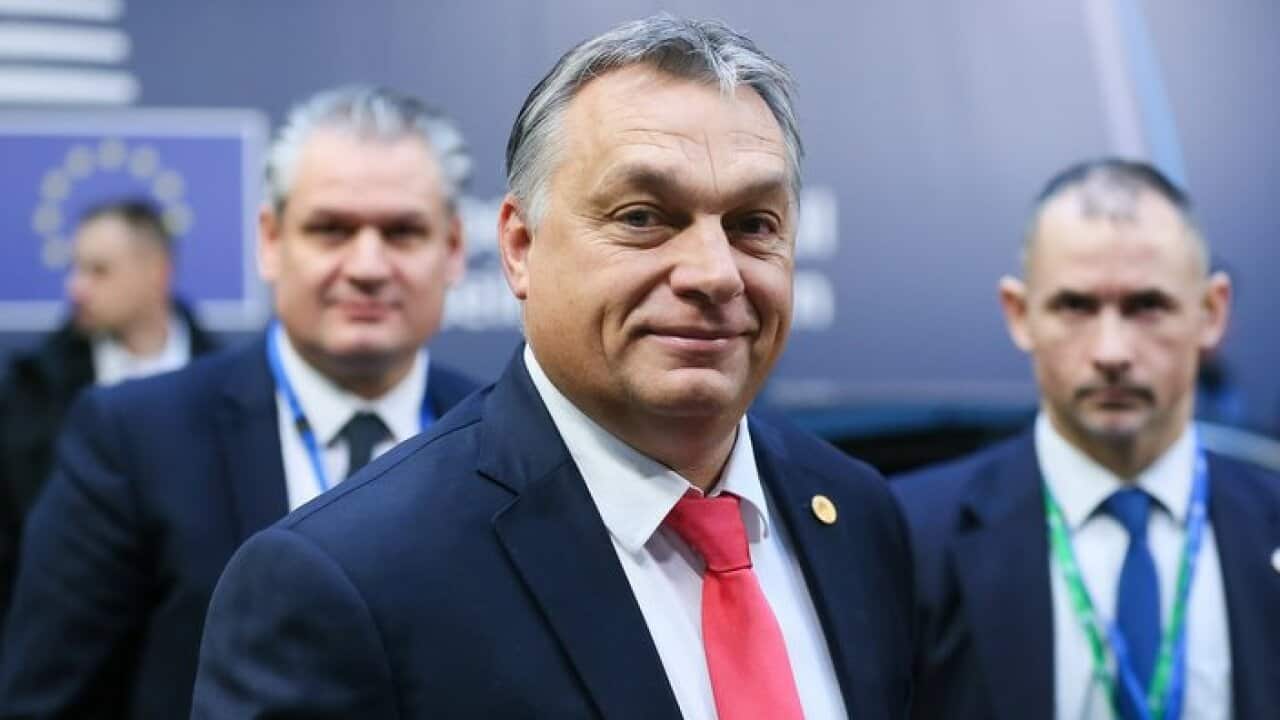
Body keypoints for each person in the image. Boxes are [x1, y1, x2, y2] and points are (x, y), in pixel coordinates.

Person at [192, 15, 914, 720]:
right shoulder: (345, 578)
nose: (713, 274)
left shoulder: (856, 514)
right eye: (642, 217)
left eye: (753, 225)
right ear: (518, 246)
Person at [0, 86, 479, 719]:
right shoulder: (132, 440)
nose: (367, 265)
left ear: (450, 250)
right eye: (331, 229)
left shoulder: (497, 437)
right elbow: (47, 702)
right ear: (271, 240)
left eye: (403, 232)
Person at [893, 158, 1280, 720]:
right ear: (1020, 314)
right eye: (1075, 306)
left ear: (1211, 313)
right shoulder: (911, 540)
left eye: (1148, 306)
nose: (1112, 352)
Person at [0, 199, 216, 620]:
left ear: (157, 273)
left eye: (98, 271)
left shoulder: (229, 387)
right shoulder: (30, 393)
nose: (75, 288)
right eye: (76, 269)